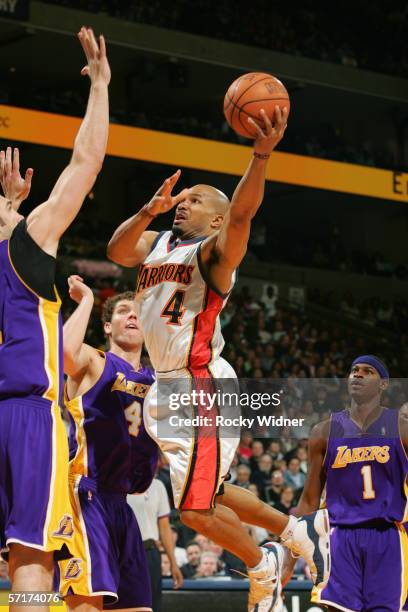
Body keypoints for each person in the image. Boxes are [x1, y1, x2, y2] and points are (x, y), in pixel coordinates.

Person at [107, 106, 330, 611]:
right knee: (214, 492)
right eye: (181, 200)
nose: (183, 205)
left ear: (216, 218)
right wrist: (149, 210)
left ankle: (263, 563)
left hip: (199, 383)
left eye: (194, 200)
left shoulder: (213, 253)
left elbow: (245, 212)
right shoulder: (158, 242)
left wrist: (261, 155)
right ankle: (294, 530)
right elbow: (118, 251)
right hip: (163, 387)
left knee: (194, 511)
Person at [0, 27, 109, 610]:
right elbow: (86, 161)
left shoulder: (15, 238)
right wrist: (101, 87)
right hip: (28, 417)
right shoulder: (28, 244)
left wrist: (8, 211)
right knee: (32, 559)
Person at [57, 276, 159, 611]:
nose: (133, 316)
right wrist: (85, 299)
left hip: (123, 506)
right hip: (86, 497)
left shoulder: (157, 382)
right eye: (124, 311)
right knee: (88, 604)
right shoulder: (95, 361)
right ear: (106, 326)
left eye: (140, 313)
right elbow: (64, 353)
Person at [293, 355, 408, 611]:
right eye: (354, 370)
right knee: (333, 607)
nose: (358, 374)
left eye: (368, 371)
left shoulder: (400, 427)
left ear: (384, 384)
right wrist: (290, 553)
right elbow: (310, 498)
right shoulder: (323, 431)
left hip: (387, 534)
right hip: (338, 535)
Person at [127, 478, 183, 612]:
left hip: (149, 551)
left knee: (151, 604)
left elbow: (164, 528)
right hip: (122, 553)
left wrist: (173, 563)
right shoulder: (115, 482)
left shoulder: (157, 485)